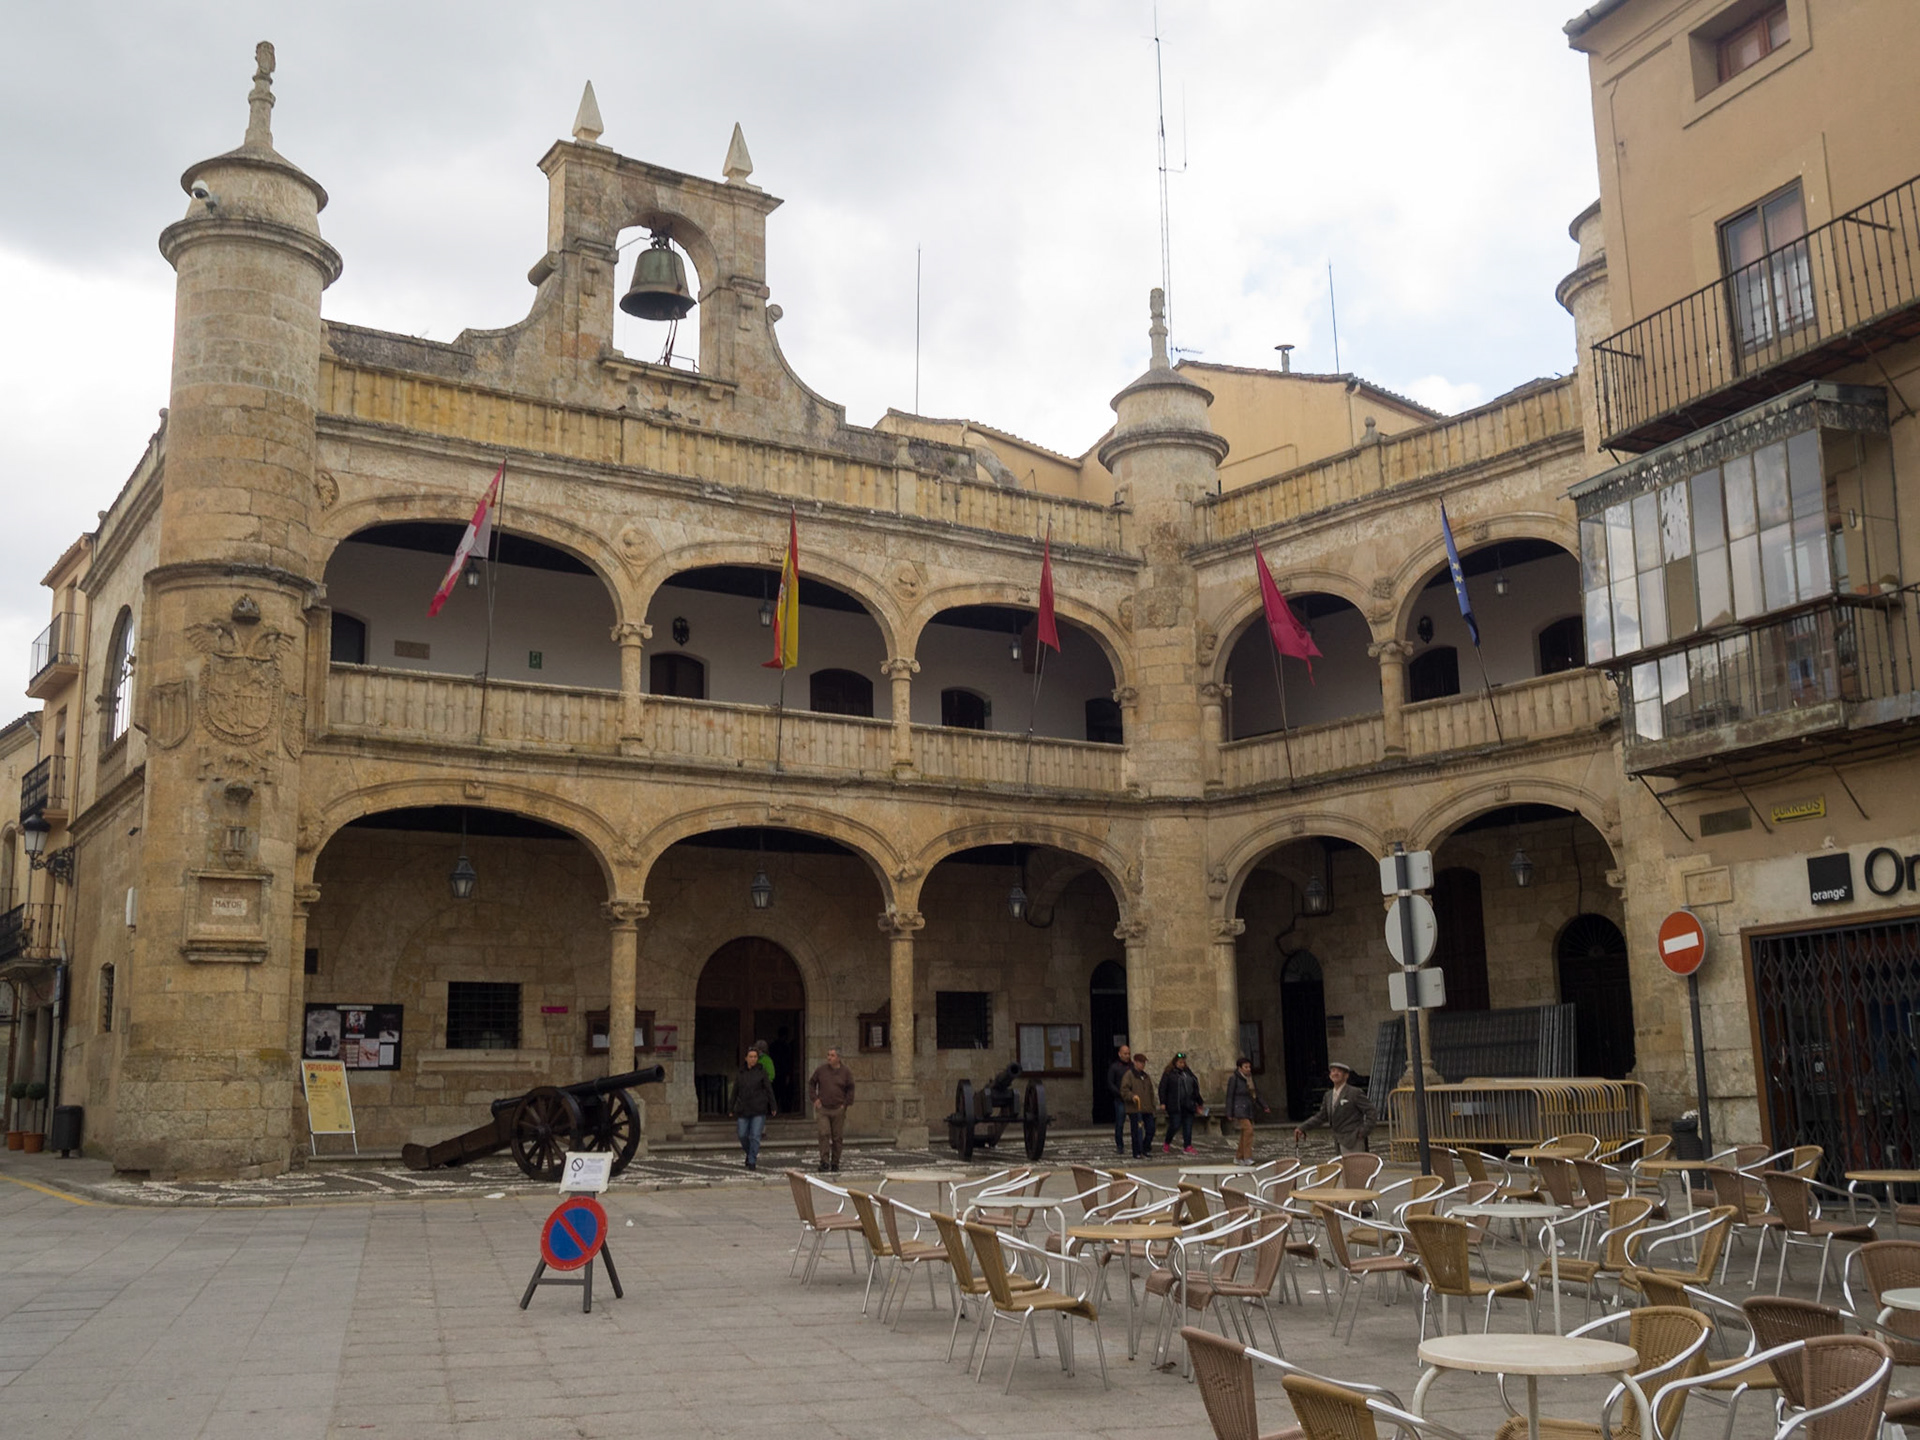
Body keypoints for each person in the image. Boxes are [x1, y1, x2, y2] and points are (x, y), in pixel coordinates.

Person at [1293, 1061, 1377, 1154]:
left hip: (1353, 1140)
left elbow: (1371, 1111)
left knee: (1355, 1168)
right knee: (1342, 1167)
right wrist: (1302, 1127)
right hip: (1338, 1140)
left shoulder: (1354, 1093)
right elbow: (1321, 1116)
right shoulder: (1328, 1096)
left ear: (1346, 1076)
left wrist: (1363, 1132)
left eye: (1339, 1071)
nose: (1335, 1073)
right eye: (1333, 1071)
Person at [808, 1045, 855, 1172]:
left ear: (838, 1058)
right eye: (828, 1055)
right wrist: (815, 1099)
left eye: (832, 1055)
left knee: (837, 1136)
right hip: (823, 1108)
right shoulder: (821, 1070)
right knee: (823, 1133)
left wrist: (845, 1104)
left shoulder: (846, 1072)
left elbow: (851, 1088)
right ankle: (824, 1161)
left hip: (838, 1108)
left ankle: (835, 1162)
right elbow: (812, 1083)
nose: (829, 1058)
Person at [729, 1045, 775, 1170]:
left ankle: (752, 1160)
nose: (753, 1059)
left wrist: (773, 1105)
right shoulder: (741, 1073)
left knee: (755, 1136)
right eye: (751, 1057)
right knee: (742, 1135)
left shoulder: (762, 1072)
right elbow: (735, 1091)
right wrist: (731, 1107)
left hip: (758, 1109)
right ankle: (750, 1153)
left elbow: (768, 1090)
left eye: (755, 1057)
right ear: (746, 1058)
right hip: (743, 1109)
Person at [1224, 1056, 1270, 1162]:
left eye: (1249, 1067)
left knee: (1245, 1133)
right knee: (1249, 1130)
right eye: (1246, 1067)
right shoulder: (1234, 1079)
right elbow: (1229, 1096)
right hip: (1239, 1108)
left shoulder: (1250, 1080)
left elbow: (1256, 1094)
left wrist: (1264, 1106)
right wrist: (1229, 1113)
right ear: (1240, 1068)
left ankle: (1238, 1156)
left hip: (1248, 1108)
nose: (1248, 1069)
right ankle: (1247, 1157)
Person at [1159, 1052, 1204, 1154]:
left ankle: (1187, 1146)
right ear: (1175, 1062)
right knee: (1175, 1124)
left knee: (1188, 1126)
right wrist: (1163, 1102)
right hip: (1175, 1105)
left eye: (1183, 1062)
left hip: (1188, 1104)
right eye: (1180, 1062)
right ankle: (1167, 1142)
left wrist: (1199, 1102)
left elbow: (1195, 1088)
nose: (1182, 1064)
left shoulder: (1188, 1073)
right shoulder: (1169, 1073)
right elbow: (1162, 1088)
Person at [1119, 1053, 1158, 1158]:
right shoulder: (1129, 1075)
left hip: (1147, 1107)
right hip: (1135, 1108)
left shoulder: (1146, 1077)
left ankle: (1146, 1148)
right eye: (1140, 1062)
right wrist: (1132, 1096)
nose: (1142, 1065)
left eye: (1144, 1063)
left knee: (1151, 1129)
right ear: (1135, 1062)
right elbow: (1124, 1090)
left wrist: (1152, 1106)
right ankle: (1137, 1151)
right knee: (1137, 1131)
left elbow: (1150, 1092)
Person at [1105, 1043, 1133, 1156]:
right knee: (1120, 1123)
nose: (1127, 1056)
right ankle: (1120, 1145)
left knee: (1136, 1123)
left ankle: (1137, 1144)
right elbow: (1110, 1083)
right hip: (1120, 1099)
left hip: (1131, 1099)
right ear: (1120, 1054)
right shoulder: (1114, 1067)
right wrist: (1120, 1093)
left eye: (1128, 1054)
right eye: (1125, 1053)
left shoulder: (1132, 1066)